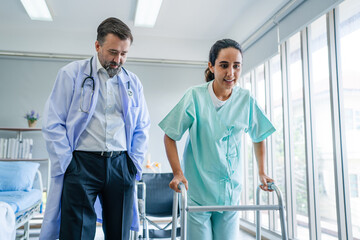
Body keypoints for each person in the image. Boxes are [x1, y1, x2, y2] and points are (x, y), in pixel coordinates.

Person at [40, 17, 150, 240]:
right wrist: (68, 163)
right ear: (97, 46)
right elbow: (53, 122)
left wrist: (133, 164)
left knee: (119, 233)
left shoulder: (132, 82)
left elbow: (142, 126)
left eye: (124, 54)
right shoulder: (71, 74)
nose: (118, 60)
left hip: (121, 165)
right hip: (81, 165)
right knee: (76, 233)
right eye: (112, 52)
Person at [159, 39, 275, 239]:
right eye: (224, 65)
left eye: (236, 66)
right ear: (211, 66)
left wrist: (262, 171)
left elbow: (259, 135)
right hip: (198, 193)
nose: (231, 73)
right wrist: (178, 173)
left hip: (230, 194)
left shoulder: (245, 99)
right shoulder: (194, 97)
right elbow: (170, 135)